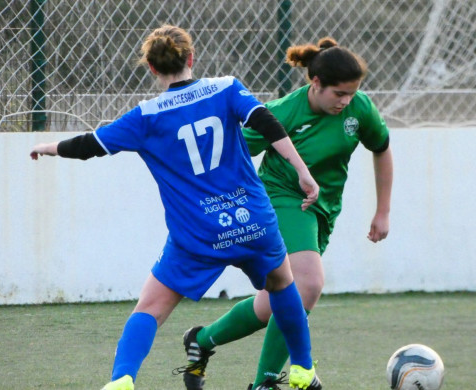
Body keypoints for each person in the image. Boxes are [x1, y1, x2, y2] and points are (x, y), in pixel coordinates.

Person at [30, 25, 321, 390]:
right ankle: (302, 368)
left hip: (198, 234)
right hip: (253, 222)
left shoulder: (145, 116)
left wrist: (49, 146)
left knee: (150, 308)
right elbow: (265, 121)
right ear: (191, 58)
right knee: (282, 285)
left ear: (151, 68)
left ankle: (122, 379)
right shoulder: (227, 87)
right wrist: (302, 172)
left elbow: (91, 145)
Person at [180, 37, 393, 390]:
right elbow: (229, 152)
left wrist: (382, 211)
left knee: (272, 304)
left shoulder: (360, 109)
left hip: (323, 209)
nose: (346, 101)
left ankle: (201, 341)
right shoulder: (283, 112)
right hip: (280, 199)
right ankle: (264, 383)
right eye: (339, 93)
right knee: (308, 283)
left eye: (352, 94)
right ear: (316, 84)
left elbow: (382, 149)